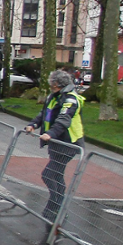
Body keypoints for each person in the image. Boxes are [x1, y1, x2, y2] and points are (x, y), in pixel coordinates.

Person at [24, 69, 85, 223]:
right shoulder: (54, 97)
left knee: (48, 174)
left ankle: (56, 206)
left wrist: (51, 133)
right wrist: (33, 124)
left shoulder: (71, 99)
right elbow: (44, 113)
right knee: (56, 175)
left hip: (68, 143)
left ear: (60, 85)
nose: (51, 87)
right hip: (57, 142)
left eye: (54, 84)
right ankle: (55, 208)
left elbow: (64, 119)